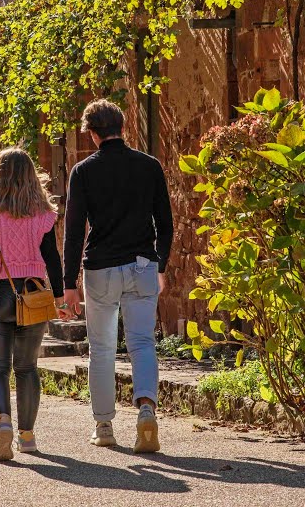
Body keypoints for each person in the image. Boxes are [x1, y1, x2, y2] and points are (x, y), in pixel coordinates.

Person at [62, 99, 173, 453]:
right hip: (142, 264)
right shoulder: (149, 166)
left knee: (103, 348)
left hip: (101, 268)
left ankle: (105, 425)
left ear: (92, 134)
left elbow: (74, 232)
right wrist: (161, 266)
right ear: (123, 127)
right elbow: (165, 224)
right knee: (142, 342)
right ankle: (145, 410)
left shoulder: (83, 171)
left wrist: (68, 284)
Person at [0, 147, 70, 461]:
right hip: (33, 295)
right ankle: (28, 437)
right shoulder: (43, 215)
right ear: (31, 177)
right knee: (27, 368)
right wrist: (60, 296)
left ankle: (2, 423)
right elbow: (52, 258)